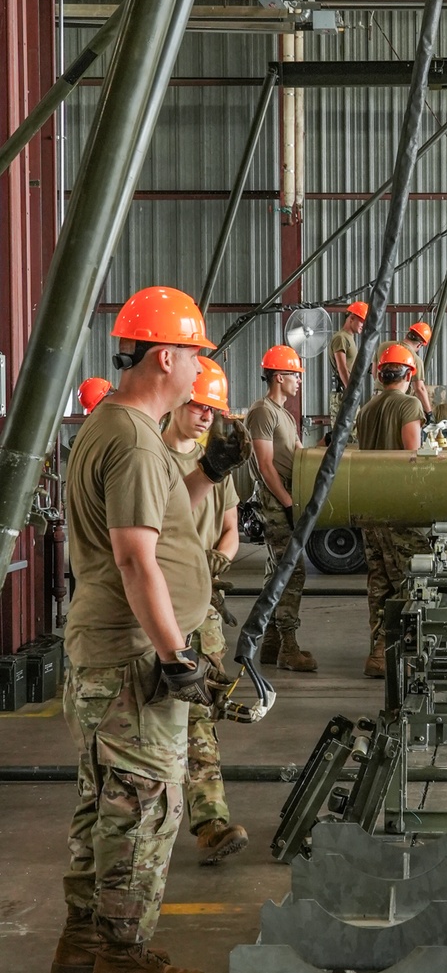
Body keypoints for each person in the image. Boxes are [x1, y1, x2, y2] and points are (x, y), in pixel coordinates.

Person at [51, 286, 247, 973]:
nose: (200, 372)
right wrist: (176, 655)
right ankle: (125, 956)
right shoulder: (134, 441)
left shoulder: (119, 427)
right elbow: (135, 558)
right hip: (134, 653)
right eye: (196, 357)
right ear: (165, 356)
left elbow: (157, 520)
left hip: (110, 645)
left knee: (103, 800)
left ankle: (82, 940)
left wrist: (210, 474)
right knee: (145, 804)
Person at [161, 357, 248, 866]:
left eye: (212, 410)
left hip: (206, 608)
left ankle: (199, 815)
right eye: (196, 405)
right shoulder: (157, 461)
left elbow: (230, 528)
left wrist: (220, 557)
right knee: (187, 713)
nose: (203, 417)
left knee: (202, 711)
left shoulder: (218, 461)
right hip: (167, 605)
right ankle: (208, 820)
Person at [355, 343, 427, 678]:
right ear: (409, 374)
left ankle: (378, 654)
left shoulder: (366, 409)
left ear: (380, 374)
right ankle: (404, 654)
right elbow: (413, 457)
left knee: (378, 582)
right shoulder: (409, 405)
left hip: (371, 507)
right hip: (399, 510)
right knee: (408, 583)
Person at [245, 344, 316, 673]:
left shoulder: (285, 415)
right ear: (278, 377)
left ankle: (270, 643)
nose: (299, 381)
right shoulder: (262, 412)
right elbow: (264, 465)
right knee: (293, 570)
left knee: (277, 573)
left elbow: (299, 455)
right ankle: (289, 645)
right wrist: (287, 503)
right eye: (295, 375)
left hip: (287, 497)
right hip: (274, 500)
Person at [372, 320, 433, 415]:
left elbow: (374, 372)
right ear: (420, 345)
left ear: (407, 335)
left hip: (377, 397)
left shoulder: (383, 346)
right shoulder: (415, 359)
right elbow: (419, 389)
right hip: (397, 401)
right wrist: (429, 412)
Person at [329, 299, 368, 425]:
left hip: (347, 391)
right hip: (343, 393)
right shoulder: (341, 338)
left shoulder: (349, 338)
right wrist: (350, 391)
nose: (363, 324)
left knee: (353, 432)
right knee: (346, 434)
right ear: (352, 318)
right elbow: (342, 367)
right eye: (361, 320)